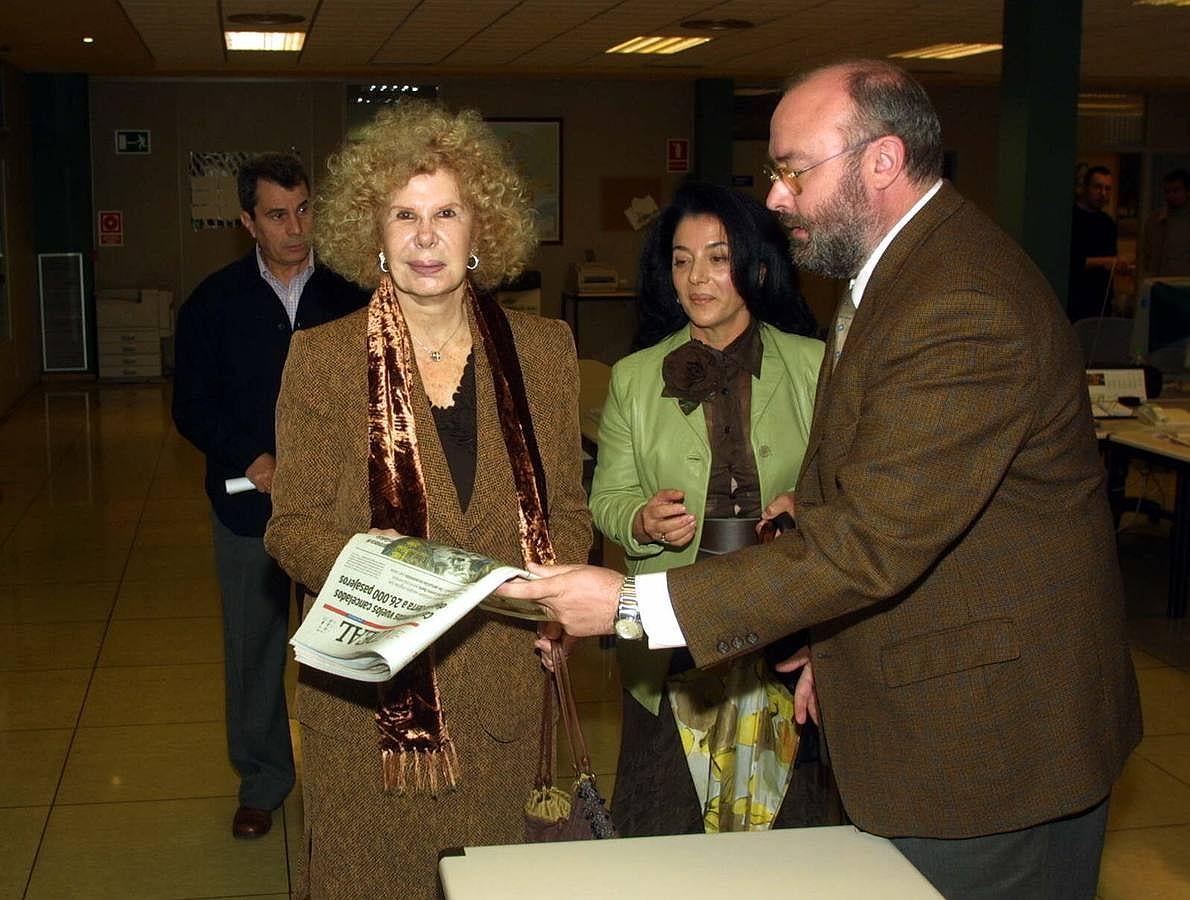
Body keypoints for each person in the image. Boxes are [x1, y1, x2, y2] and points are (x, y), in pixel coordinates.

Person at [499, 60, 1142, 899]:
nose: (775, 197)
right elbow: (899, 490)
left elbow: (871, 541)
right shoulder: (895, 280)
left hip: (991, 750)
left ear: (881, 160)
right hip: (930, 716)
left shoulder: (960, 301)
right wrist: (838, 643)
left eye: (795, 170)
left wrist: (630, 604)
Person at [262, 102, 590, 899]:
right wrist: (409, 574)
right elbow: (292, 526)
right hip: (369, 707)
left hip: (507, 691)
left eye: (446, 213)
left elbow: (569, 514)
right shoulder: (322, 358)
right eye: (404, 216)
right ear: (373, 233)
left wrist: (556, 600)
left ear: (483, 229)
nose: (425, 237)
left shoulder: (545, 352)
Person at [590, 181, 832, 836]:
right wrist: (641, 519)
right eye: (681, 259)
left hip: (786, 620)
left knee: (790, 838)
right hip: (673, 630)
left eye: (718, 258)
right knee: (664, 831)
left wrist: (807, 506)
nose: (696, 277)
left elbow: (855, 487)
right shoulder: (635, 377)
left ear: (757, 266)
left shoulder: (816, 367)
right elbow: (606, 499)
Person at [172, 153, 368, 839]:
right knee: (253, 648)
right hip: (247, 508)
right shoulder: (214, 303)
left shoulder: (351, 295)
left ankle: (347, 779)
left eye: (304, 209)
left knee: (344, 646)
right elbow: (192, 405)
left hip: (339, 510)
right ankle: (262, 780)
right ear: (248, 221)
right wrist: (254, 461)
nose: (296, 227)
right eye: (278, 215)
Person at [1069, 165, 1130, 321]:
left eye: (1107, 189)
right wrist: (1107, 261)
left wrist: (1119, 266)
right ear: (1085, 187)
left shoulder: (1107, 223)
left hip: (1101, 302)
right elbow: (1073, 261)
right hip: (1073, 299)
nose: (1103, 194)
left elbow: (1111, 260)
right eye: (1098, 187)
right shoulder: (1071, 218)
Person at [1142, 168, 1190, 278]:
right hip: (1158, 282)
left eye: (1176, 191)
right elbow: (1146, 254)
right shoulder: (1154, 220)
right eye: (1167, 191)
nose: (1171, 196)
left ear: (1187, 191)